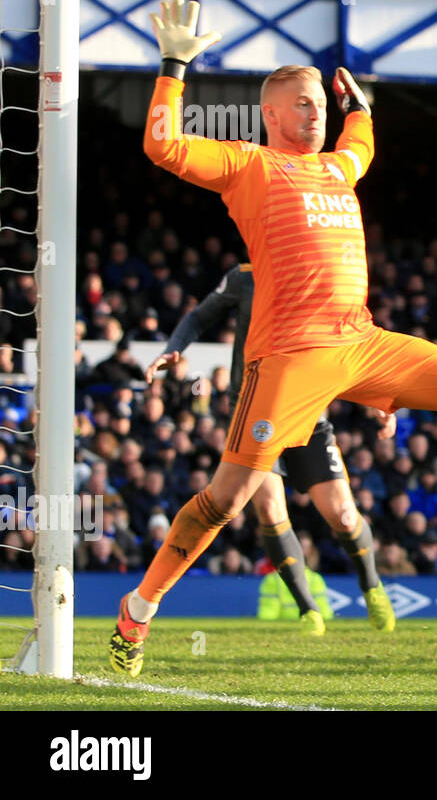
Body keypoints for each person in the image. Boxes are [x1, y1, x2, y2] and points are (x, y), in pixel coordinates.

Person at [110, 0, 437, 677]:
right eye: (300, 103)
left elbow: (361, 145)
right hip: (288, 356)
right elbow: (163, 146)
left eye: (319, 101)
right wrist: (174, 65)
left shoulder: (337, 167)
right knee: (228, 500)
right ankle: (137, 611)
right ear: (269, 114)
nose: (314, 111)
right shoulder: (251, 164)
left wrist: (361, 108)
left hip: (361, 340)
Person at [146, 264, 399, 636]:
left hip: (307, 411)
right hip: (253, 413)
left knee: (344, 515)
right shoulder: (245, 276)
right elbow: (199, 316)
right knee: (269, 509)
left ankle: (371, 585)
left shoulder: (321, 279)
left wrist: (379, 399)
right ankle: (307, 609)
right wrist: (173, 350)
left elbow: (349, 348)